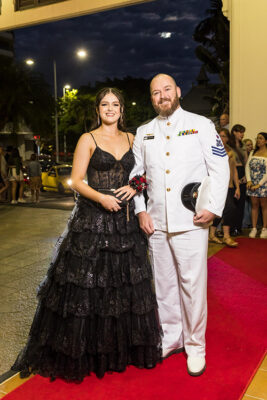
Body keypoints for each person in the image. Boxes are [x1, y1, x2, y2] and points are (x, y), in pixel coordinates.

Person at [12, 87, 162, 381]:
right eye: (105, 104)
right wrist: (101, 198)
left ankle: (121, 351)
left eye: (115, 104)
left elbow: (147, 172)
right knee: (89, 289)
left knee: (123, 288)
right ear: (98, 109)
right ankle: (89, 355)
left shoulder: (133, 139)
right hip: (93, 222)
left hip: (126, 225)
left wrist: (135, 187)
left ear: (122, 109)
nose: (110, 108)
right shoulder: (88, 139)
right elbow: (76, 181)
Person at [130, 74, 229, 377]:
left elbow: (219, 167)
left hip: (191, 222)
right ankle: (171, 338)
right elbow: (137, 176)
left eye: (167, 90)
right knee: (164, 286)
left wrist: (213, 207)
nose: (162, 96)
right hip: (156, 224)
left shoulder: (201, 124)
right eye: (156, 93)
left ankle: (195, 346)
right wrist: (140, 210)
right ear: (152, 99)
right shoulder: (144, 132)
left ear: (178, 91)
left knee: (192, 285)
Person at [209, 128, 240, 247]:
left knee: (223, 210)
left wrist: (237, 187)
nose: (222, 138)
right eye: (220, 136)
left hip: (230, 186)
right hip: (217, 186)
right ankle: (226, 236)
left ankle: (212, 235)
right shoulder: (214, 150)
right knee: (228, 208)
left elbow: (234, 170)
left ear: (228, 138)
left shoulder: (231, 151)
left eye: (225, 136)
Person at [245, 132, 267, 238]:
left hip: (264, 184)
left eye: (261, 138)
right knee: (254, 206)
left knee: (264, 206)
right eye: (257, 138)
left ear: (266, 141)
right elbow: (247, 167)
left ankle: (264, 229)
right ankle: (254, 228)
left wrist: (259, 184)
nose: (258, 140)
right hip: (252, 184)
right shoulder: (253, 152)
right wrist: (249, 180)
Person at [228, 124, 247, 235]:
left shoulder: (243, 145)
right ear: (234, 132)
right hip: (232, 173)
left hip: (242, 173)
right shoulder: (228, 145)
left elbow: (246, 162)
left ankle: (238, 228)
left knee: (241, 203)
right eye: (240, 132)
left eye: (243, 132)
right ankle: (230, 228)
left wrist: (245, 176)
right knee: (232, 203)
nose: (242, 134)